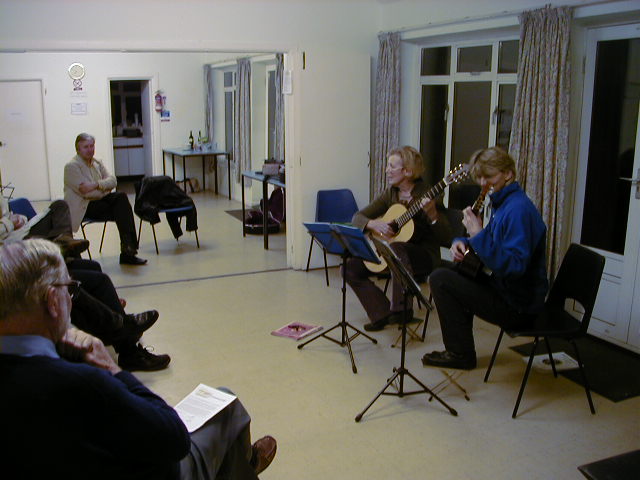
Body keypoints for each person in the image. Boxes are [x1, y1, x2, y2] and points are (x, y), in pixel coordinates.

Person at [0, 239, 277, 479]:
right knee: (224, 403)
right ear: (51, 301)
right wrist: (111, 368)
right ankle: (245, 466)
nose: (71, 302)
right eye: (69, 290)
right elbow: (174, 439)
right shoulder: (81, 383)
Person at [422, 147, 549, 370]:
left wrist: (478, 234)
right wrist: (459, 243)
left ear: (508, 173)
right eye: (479, 177)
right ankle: (460, 350)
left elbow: (514, 267)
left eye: (488, 177)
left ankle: (460, 354)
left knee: (441, 279)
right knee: (448, 272)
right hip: (505, 288)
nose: (483, 183)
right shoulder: (504, 203)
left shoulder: (518, 210)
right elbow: (488, 239)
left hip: (519, 305)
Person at [345, 146, 452, 331]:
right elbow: (357, 217)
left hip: (422, 256)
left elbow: (446, 236)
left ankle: (402, 311)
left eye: (392, 166)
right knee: (350, 267)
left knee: (397, 249)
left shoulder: (428, 194)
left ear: (408, 171)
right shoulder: (391, 194)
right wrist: (373, 224)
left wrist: (433, 214)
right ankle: (381, 313)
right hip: (392, 254)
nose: (387, 170)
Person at [66, 257, 171, 371]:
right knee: (98, 281)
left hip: (50, 263)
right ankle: (125, 339)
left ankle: (116, 328)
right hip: (46, 274)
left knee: (93, 266)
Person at [64, 132, 147, 265]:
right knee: (122, 210)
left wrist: (96, 184)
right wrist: (105, 188)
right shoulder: (71, 167)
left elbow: (113, 181)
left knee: (121, 198)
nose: (90, 149)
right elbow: (86, 193)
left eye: (92, 146)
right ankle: (128, 252)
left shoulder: (97, 162)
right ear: (78, 149)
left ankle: (128, 251)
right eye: (86, 147)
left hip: (100, 202)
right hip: (85, 207)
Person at [1, 195, 88, 257]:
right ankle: (60, 245)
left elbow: (8, 215)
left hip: (20, 231)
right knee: (55, 244)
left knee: (60, 205)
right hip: (12, 243)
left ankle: (63, 239)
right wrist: (9, 223)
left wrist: (21, 219)